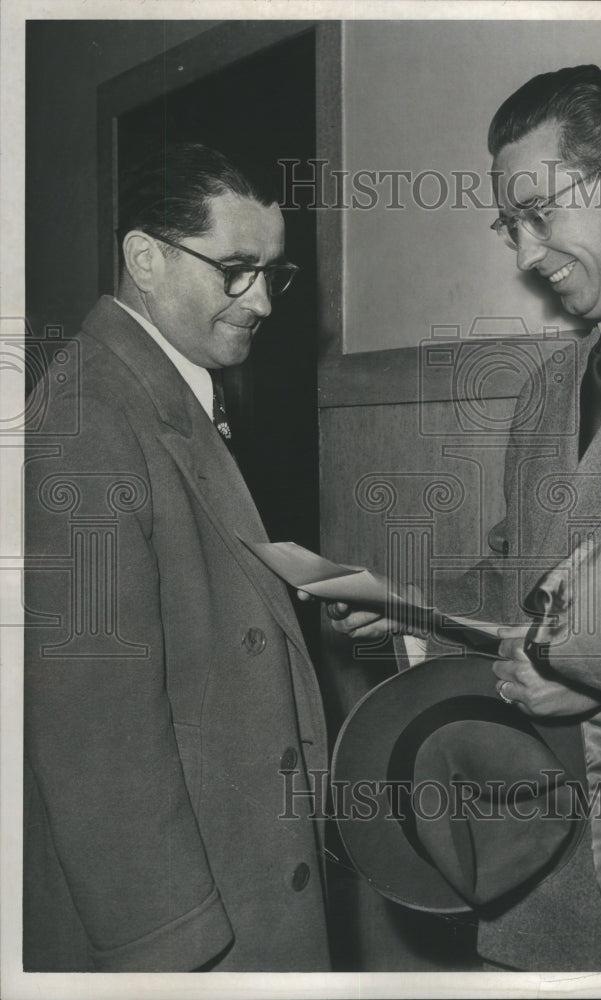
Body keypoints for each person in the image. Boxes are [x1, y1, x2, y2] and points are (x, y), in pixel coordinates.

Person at [318, 66, 601, 971]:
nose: (526, 255)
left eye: (539, 215)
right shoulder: (548, 388)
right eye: (510, 226)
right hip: (535, 880)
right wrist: (407, 611)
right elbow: (517, 583)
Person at [24, 143, 331, 972]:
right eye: (235, 269)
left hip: (237, 862)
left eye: (273, 272)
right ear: (144, 259)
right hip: (192, 919)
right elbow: (94, 726)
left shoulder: (164, 383)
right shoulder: (86, 416)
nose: (261, 299)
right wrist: (170, 957)